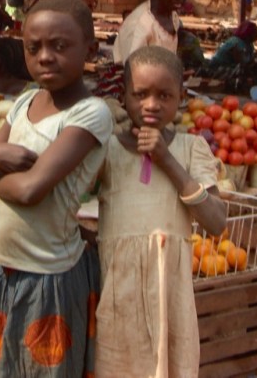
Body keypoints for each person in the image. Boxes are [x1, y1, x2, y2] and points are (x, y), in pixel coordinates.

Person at [0, 0, 114, 377]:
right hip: (3, 269)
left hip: (49, 276)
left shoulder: (90, 113)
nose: (45, 57)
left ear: (90, 49)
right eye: (34, 48)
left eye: (59, 46)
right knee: (2, 369)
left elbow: (31, 191)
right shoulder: (24, 101)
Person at [95, 46, 226, 376]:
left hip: (172, 294)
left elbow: (216, 221)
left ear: (181, 98)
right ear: (123, 96)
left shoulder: (191, 148)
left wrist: (167, 160)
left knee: (173, 363)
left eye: (164, 95)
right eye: (140, 94)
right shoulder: (107, 150)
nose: (151, 105)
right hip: (119, 292)